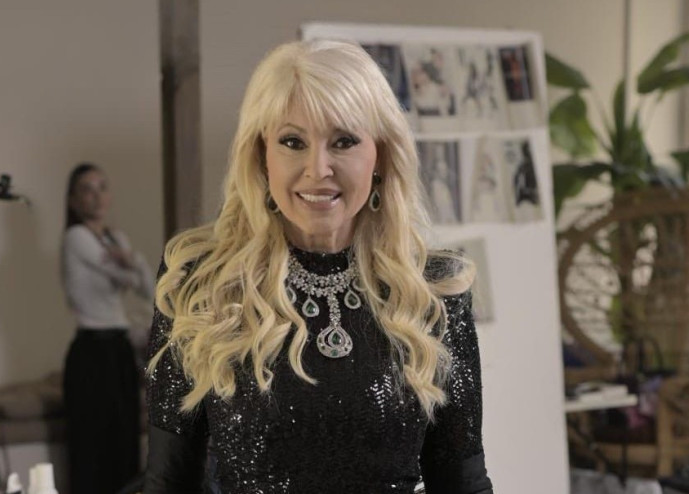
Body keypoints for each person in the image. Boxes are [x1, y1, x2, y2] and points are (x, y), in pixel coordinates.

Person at [144, 39, 493, 494]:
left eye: (343, 142)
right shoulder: (201, 282)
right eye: (293, 142)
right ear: (262, 156)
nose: (318, 168)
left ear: (381, 154)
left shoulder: (434, 290)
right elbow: (168, 483)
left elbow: (463, 483)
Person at [61, 163, 154, 494]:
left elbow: (149, 288)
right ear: (73, 200)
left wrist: (133, 261)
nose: (96, 196)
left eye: (102, 187)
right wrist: (130, 264)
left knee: (125, 444)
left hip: (119, 349)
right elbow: (122, 275)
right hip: (91, 351)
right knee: (92, 450)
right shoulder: (76, 238)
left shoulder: (118, 239)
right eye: (87, 189)